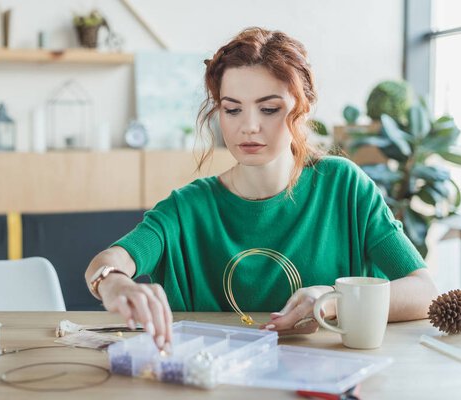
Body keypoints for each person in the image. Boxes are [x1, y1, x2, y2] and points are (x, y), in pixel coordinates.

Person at [84, 27, 438, 350]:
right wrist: (114, 282)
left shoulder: (343, 186)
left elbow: (424, 291)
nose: (248, 127)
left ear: (303, 108)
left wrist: (332, 300)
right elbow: (110, 261)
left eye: (269, 109)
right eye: (233, 110)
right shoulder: (188, 207)